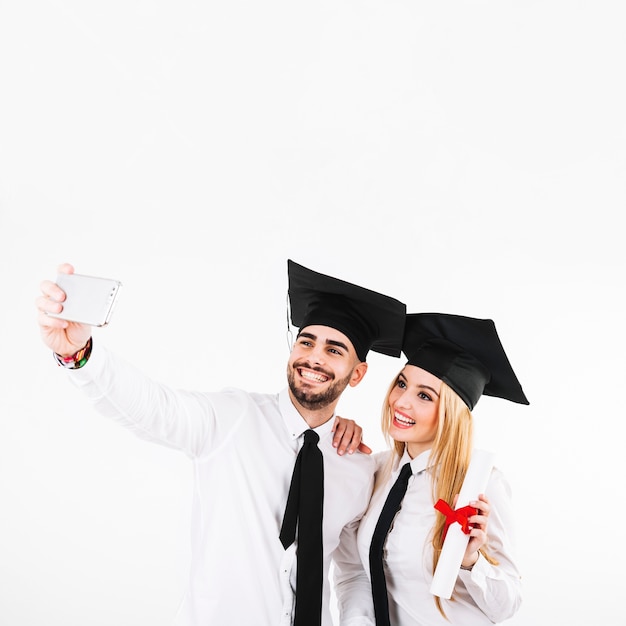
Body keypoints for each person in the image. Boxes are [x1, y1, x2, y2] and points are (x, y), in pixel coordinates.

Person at [35, 259, 407, 626]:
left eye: (334, 350)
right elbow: (152, 408)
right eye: (306, 342)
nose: (313, 357)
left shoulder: (357, 469)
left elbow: (351, 571)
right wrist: (79, 354)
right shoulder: (231, 419)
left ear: (357, 374)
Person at [342, 312, 529, 626]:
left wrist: (470, 561)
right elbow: (355, 572)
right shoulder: (374, 471)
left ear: (451, 414)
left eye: (424, 396)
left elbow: (506, 606)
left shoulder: (480, 484)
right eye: (401, 383)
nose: (401, 401)